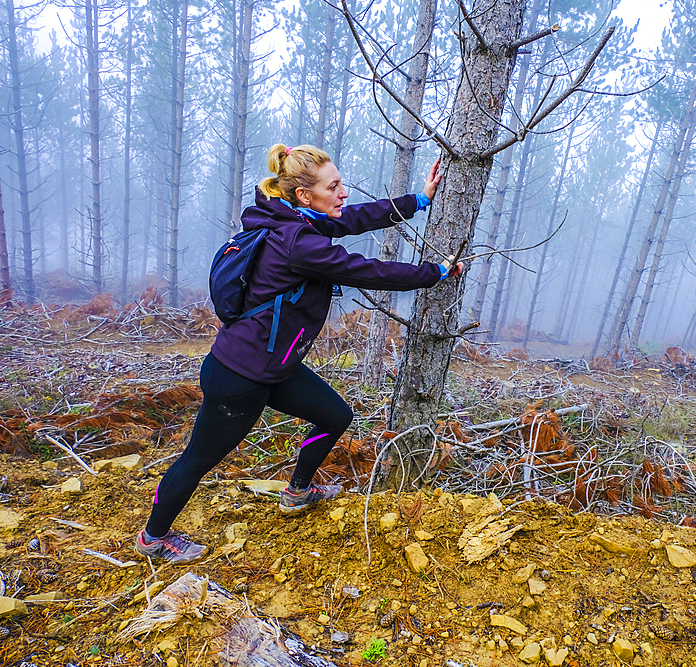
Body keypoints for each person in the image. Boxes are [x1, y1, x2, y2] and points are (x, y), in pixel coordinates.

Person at [135, 143, 462, 563]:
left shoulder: (295, 219)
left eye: (342, 184)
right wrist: (433, 273)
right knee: (199, 458)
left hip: (271, 365)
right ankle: (153, 537)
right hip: (240, 377)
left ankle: (298, 491)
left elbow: (355, 219)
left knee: (335, 415)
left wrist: (419, 200)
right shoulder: (299, 242)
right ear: (305, 195)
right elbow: (366, 270)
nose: (344, 194)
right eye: (335, 186)